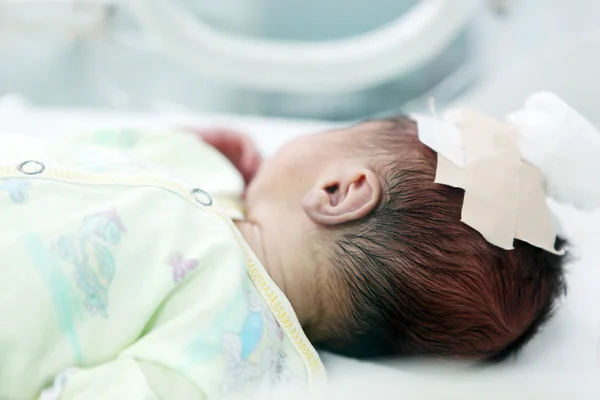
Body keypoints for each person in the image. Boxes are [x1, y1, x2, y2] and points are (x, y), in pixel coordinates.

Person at [4, 92, 594, 399]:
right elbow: (69, 155)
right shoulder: (207, 185)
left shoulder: (224, 349)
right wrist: (177, 149)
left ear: (339, 191)